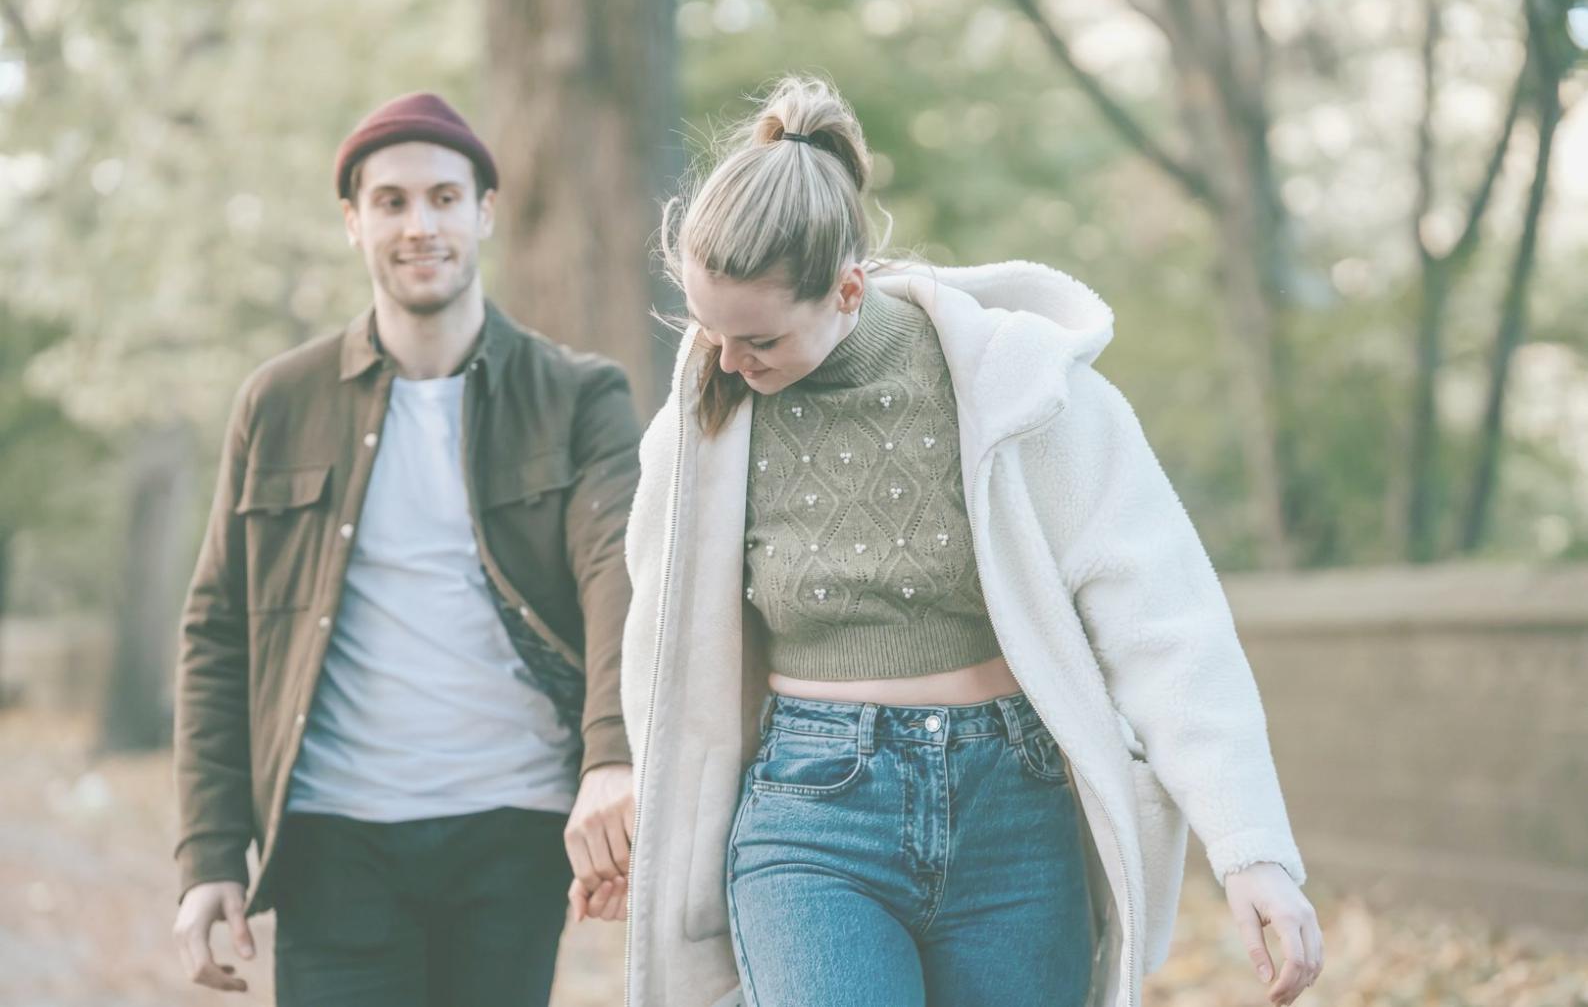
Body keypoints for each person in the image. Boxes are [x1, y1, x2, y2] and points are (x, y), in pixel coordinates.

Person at [613, 76, 1324, 1007]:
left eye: (760, 340)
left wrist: (1251, 850)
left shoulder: (1021, 390)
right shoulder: (698, 432)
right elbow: (661, 660)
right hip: (811, 820)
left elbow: (1165, 621)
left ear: (848, 288)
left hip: (1014, 815)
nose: (728, 362)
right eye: (708, 331)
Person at [170, 92, 640, 1006]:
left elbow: (617, 575)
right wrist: (209, 854)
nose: (419, 224)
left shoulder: (580, 397)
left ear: (485, 212)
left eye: (443, 198)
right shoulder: (277, 402)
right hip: (333, 837)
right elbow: (216, 630)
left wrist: (611, 757)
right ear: (353, 223)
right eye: (390, 202)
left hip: (513, 826)